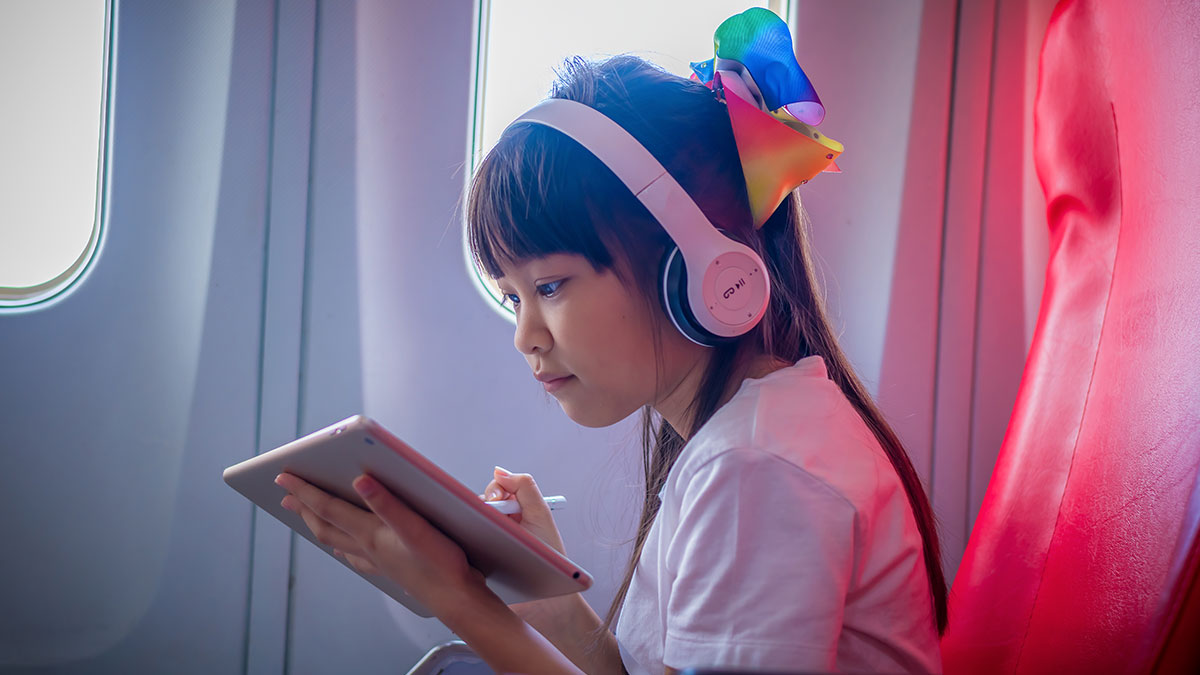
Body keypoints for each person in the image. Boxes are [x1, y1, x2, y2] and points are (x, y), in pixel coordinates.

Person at [274, 8, 947, 674]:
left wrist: (455, 598)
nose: (525, 337)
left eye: (549, 286)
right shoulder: (745, 442)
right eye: (512, 298)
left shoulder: (757, 469)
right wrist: (540, 587)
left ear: (700, 270)